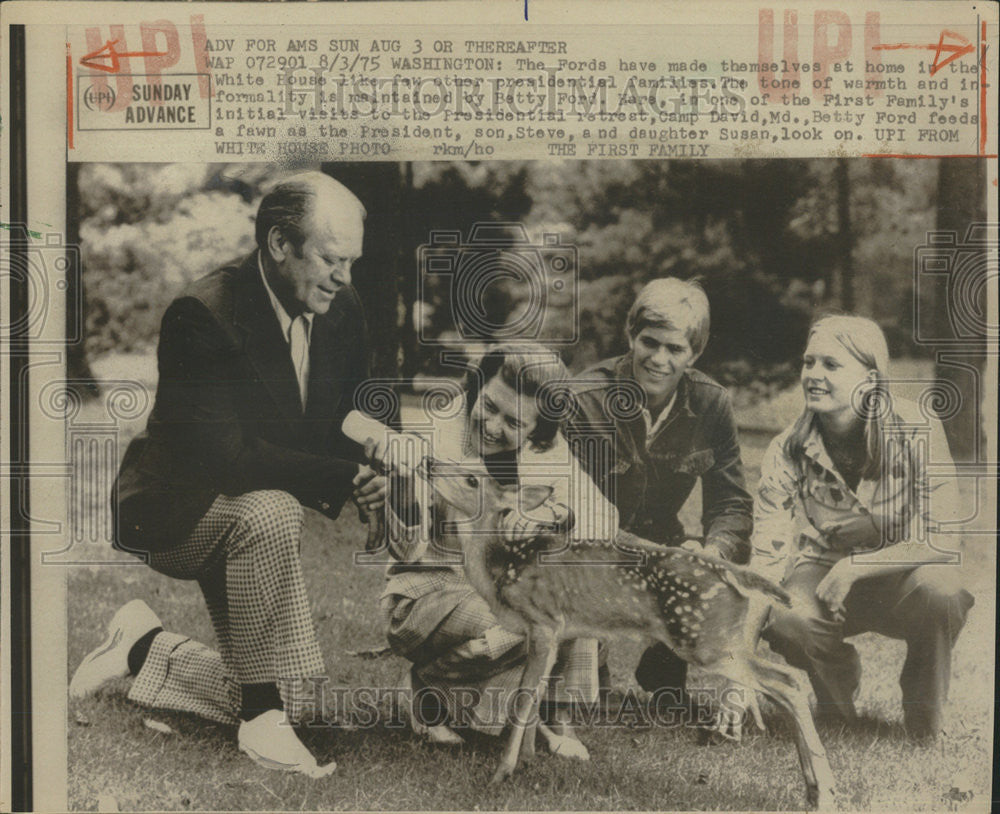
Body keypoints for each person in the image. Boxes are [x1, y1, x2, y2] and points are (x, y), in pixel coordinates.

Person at [69, 172, 385, 776]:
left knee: (308, 702)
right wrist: (340, 478)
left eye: (352, 261)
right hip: (176, 508)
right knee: (272, 509)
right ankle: (261, 721)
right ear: (277, 244)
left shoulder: (340, 304)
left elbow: (349, 408)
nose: (345, 277)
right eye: (330, 258)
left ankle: (141, 645)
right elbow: (228, 458)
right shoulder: (202, 313)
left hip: (248, 503)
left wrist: (378, 459)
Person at [378, 344, 619, 752]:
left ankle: (553, 715)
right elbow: (404, 549)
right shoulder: (438, 432)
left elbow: (603, 519)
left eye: (514, 422)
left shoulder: (546, 449)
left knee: (573, 597)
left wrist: (554, 518)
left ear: (537, 430)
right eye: (488, 406)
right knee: (526, 626)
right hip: (428, 594)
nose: (492, 426)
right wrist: (402, 494)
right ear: (476, 388)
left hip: (493, 590)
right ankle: (426, 689)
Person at [750, 314, 974, 739]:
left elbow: (944, 538)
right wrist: (738, 664)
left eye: (831, 365)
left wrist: (854, 568)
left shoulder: (917, 428)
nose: (813, 375)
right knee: (783, 615)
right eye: (808, 362)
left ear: (871, 379)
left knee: (943, 590)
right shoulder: (787, 448)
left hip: (903, 575)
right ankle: (837, 708)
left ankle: (924, 721)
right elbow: (766, 559)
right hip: (821, 576)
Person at [568, 277, 753, 706]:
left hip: (663, 544)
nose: (659, 359)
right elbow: (560, 504)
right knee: (584, 702)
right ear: (630, 336)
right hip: (591, 547)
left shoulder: (712, 404)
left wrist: (715, 551)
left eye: (676, 350)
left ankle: (665, 665)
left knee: (716, 558)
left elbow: (731, 503)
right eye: (650, 343)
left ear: (696, 355)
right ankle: (588, 659)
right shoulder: (583, 399)